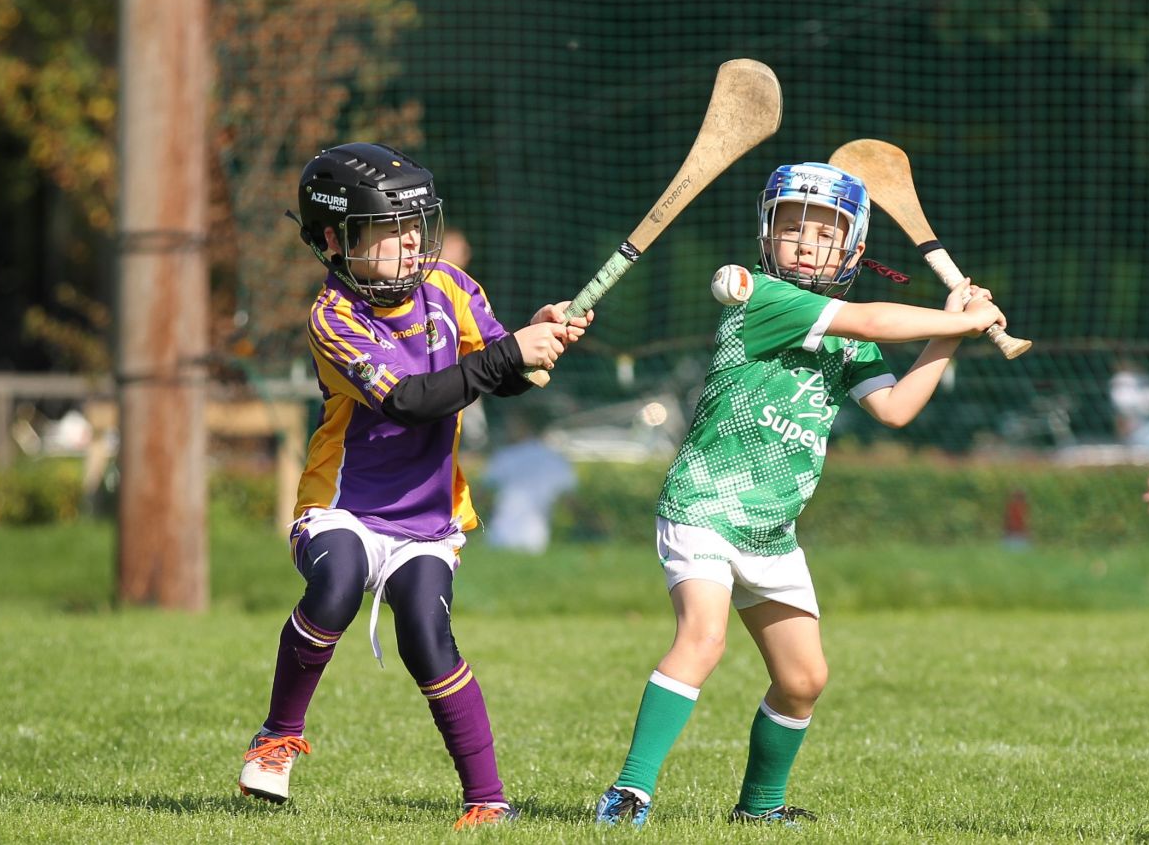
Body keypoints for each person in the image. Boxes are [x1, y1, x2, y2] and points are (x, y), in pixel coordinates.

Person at [593, 162, 1006, 828]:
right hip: (705, 506)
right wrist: (961, 316)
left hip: (769, 529)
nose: (807, 242)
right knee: (703, 638)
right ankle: (630, 791)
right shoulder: (766, 300)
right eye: (793, 226)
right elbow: (871, 317)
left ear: (854, 249)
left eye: (826, 231)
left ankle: (758, 808)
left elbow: (897, 408)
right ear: (767, 233)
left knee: (804, 678)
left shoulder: (848, 337)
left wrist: (947, 334)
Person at [237, 142, 593, 829]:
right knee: (335, 585)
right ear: (337, 241)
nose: (408, 246)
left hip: (428, 519)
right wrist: (506, 358)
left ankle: (487, 801)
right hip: (341, 508)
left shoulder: (453, 289)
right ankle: (277, 735)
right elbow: (406, 400)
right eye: (386, 232)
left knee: (427, 634)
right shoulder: (333, 318)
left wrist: (538, 338)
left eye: (412, 228)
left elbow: (502, 369)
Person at [482, 411, 576, 554]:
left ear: (524, 426)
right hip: (536, 537)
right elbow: (570, 502)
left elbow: (481, 495)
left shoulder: (505, 456)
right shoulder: (556, 460)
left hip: (499, 533)